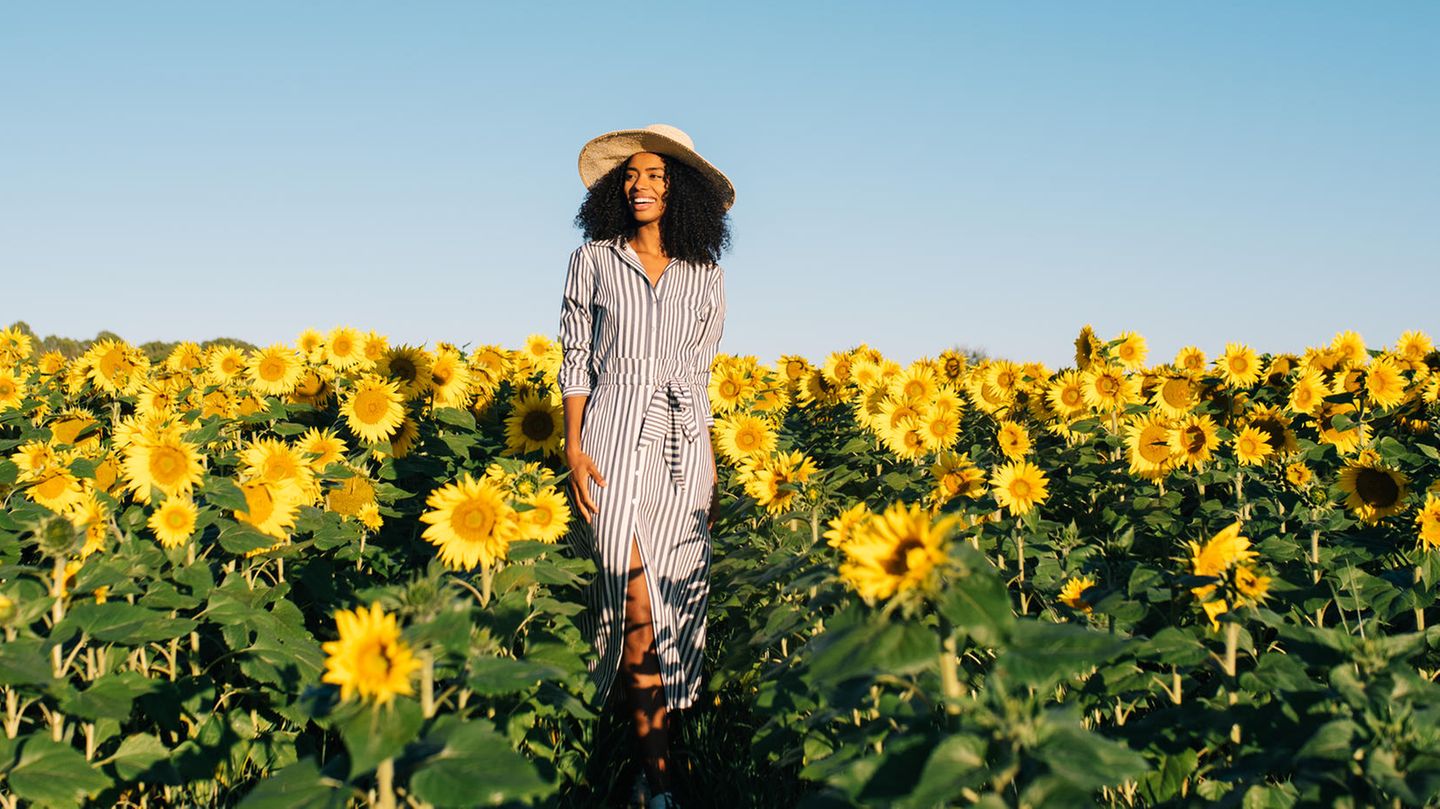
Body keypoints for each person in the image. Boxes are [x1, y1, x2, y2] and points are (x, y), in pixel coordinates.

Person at [557, 123, 733, 809]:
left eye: (656, 174)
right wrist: (573, 446)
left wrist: (710, 465)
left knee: (675, 605)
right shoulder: (593, 260)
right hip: (608, 436)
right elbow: (575, 356)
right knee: (629, 598)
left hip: (682, 448)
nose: (640, 185)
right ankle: (660, 781)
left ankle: (651, 759)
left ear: (679, 187)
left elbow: (701, 373)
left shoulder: (707, 277)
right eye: (630, 175)